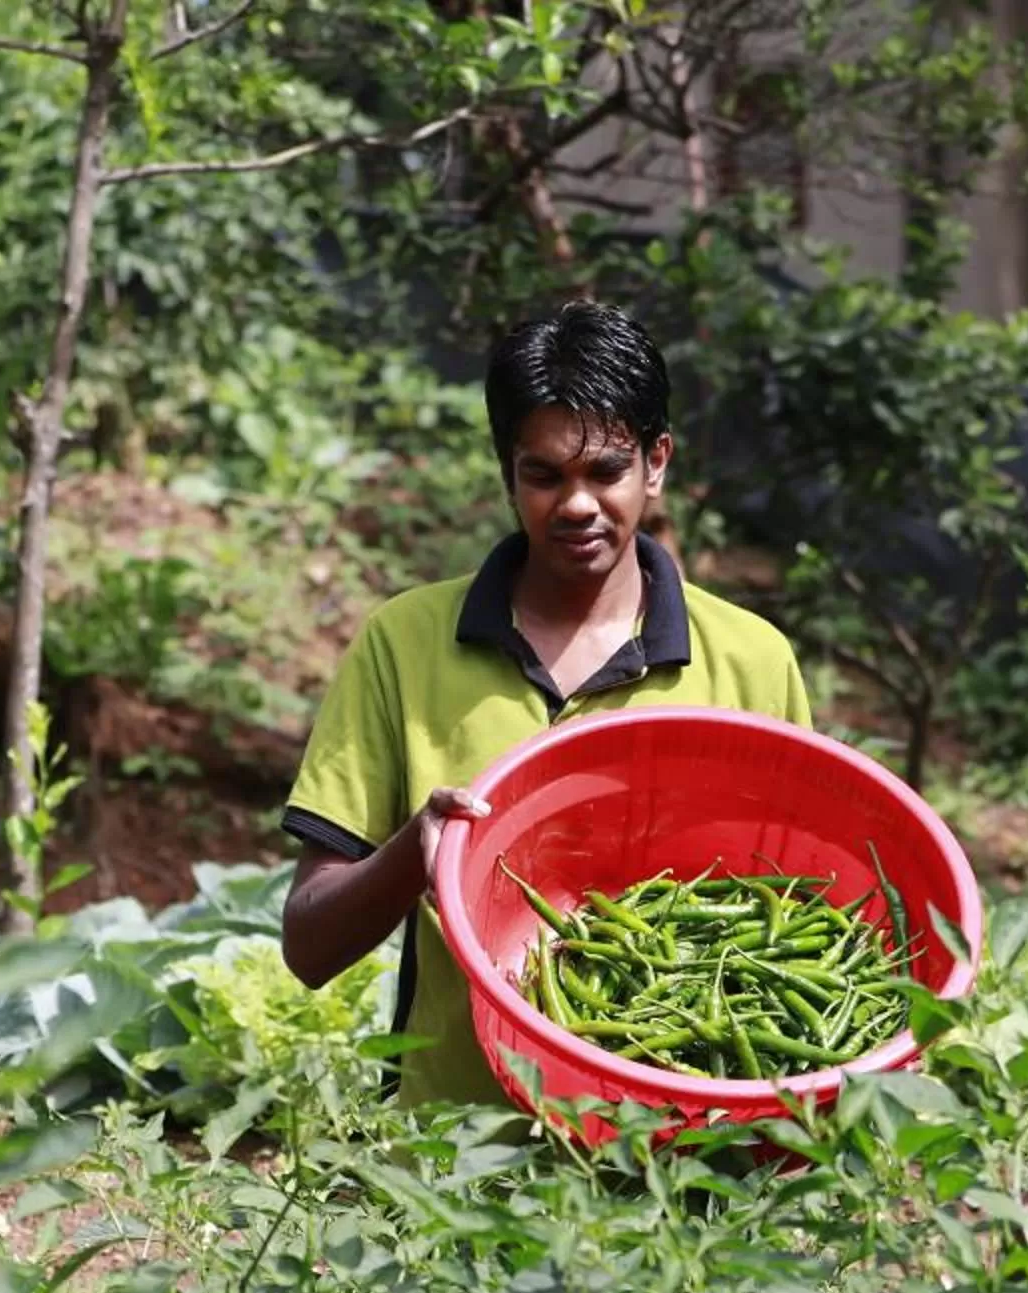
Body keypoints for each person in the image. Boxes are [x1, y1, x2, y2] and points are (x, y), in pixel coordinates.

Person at [277, 301, 812, 1105]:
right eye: (545, 475)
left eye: (605, 471)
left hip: (683, 1152)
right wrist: (414, 854)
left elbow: (804, 915)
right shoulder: (406, 645)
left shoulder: (751, 662)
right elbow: (310, 947)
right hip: (460, 1150)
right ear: (507, 471)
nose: (577, 504)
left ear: (656, 463)